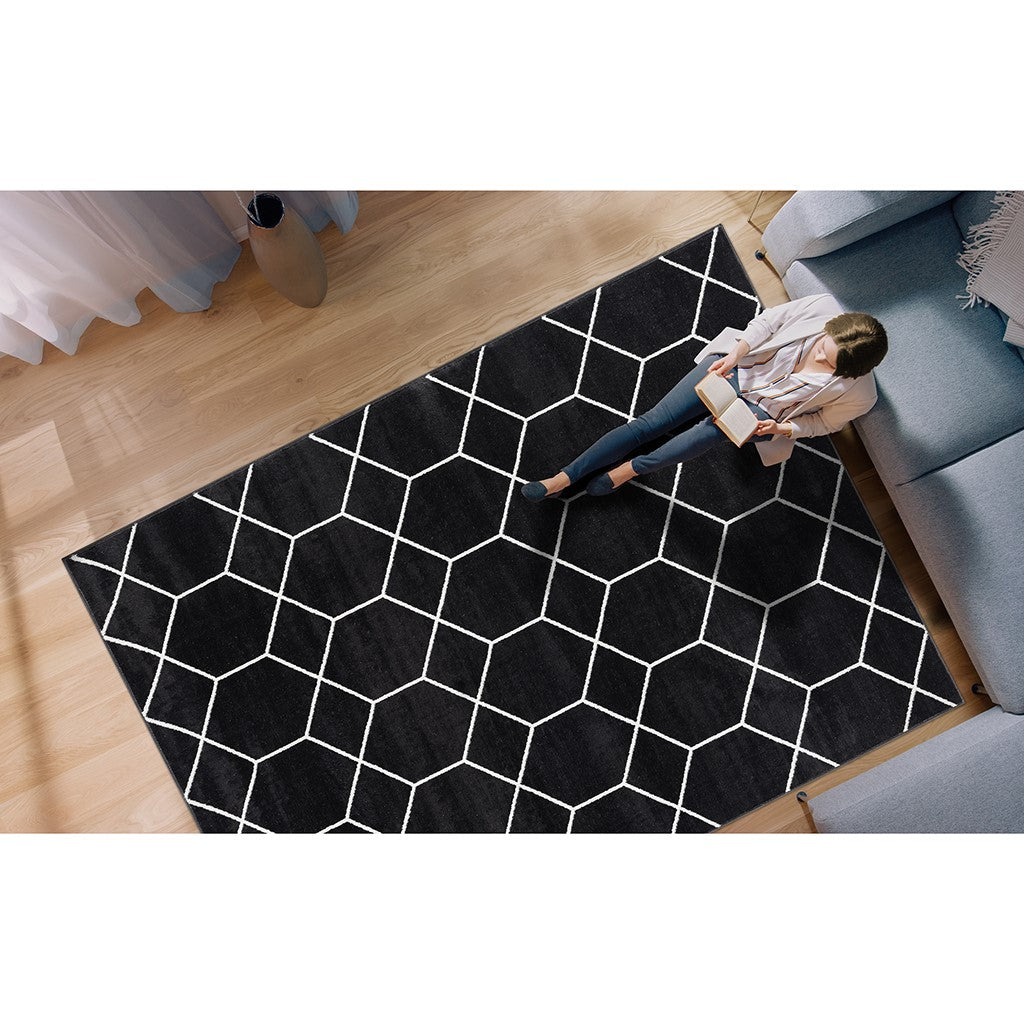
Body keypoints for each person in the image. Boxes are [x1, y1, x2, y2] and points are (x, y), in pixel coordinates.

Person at [521, 293, 887, 501]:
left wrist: (782, 429)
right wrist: (736, 353)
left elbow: (824, 423)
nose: (820, 355)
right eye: (823, 345)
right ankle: (564, 477)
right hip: (737, 368)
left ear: (851, 371)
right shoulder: (822, 308)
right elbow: (768, 322)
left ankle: (631, 469)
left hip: (761, 411)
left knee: (704, 435)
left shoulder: (860, 394)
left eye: (829, 362)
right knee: (653, 422)